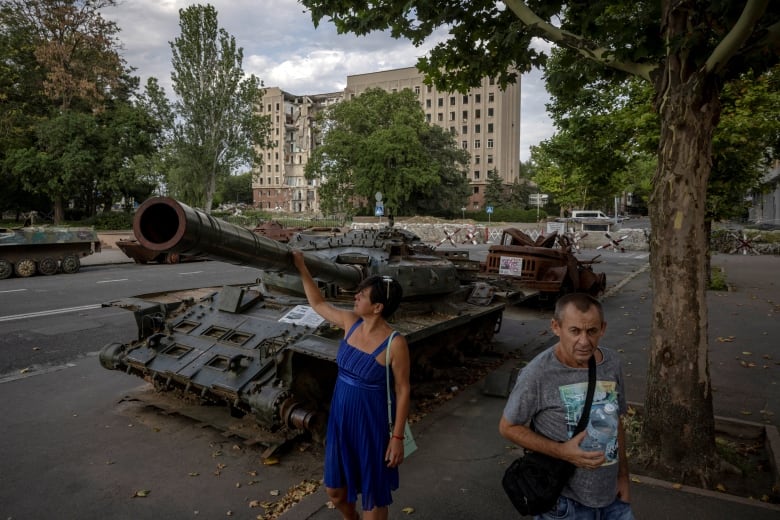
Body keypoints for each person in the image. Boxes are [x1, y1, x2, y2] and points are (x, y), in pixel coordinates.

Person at [292, 250, 411, 520]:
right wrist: (301, 267)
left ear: (378, 307)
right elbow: (318, 304)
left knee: (373, 492)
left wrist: (397, 438)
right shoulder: (350, 322)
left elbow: (403, 390)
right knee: (335, 491)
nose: (355, 296)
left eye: (362, 295)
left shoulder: (395, 343)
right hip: (341, 419)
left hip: (372, 425)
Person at [499, 293, 634, 520]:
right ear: (556, 327)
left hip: (612, 499)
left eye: (591, 331)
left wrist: (623, 477)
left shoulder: (611, 363)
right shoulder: (538, 373)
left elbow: (616, 421)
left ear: (602, 328)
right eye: (575, 331)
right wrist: (562, 451)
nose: (584, 341)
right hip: (564, 504)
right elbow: (508, 427)